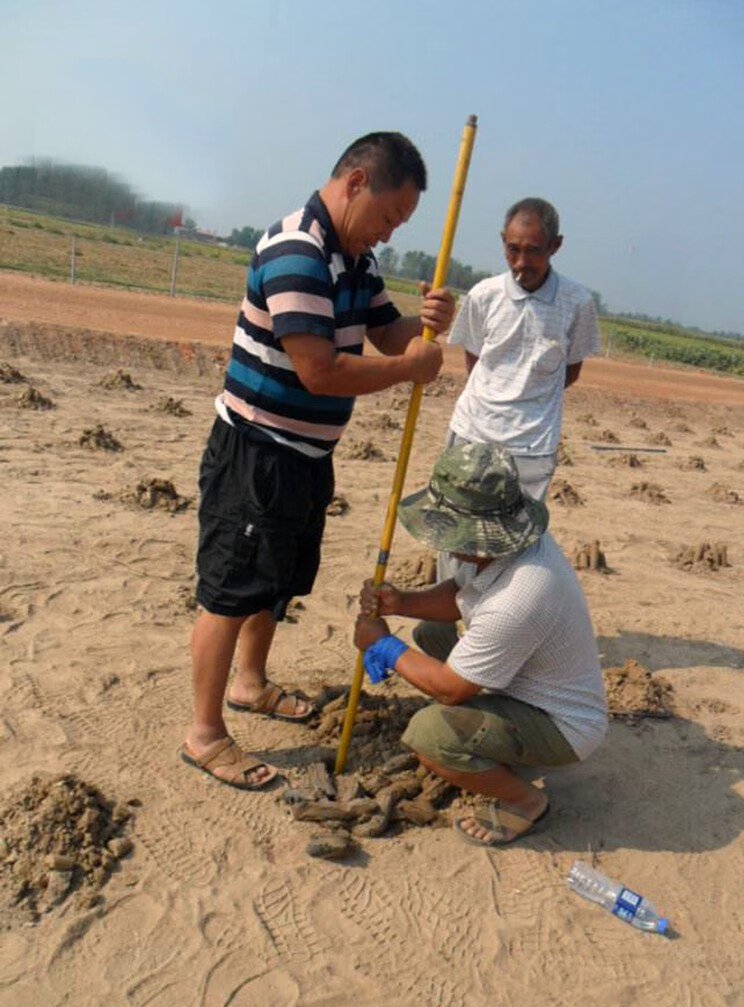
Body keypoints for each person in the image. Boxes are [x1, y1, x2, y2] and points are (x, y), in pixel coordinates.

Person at [181, 132, 455, 790]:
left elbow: (387, 333)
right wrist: (406, 369)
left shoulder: (354, 260)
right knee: (229, 589)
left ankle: (250, 684)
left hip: (304, 457)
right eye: (390, 216)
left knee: (273, 580)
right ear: (357, 182)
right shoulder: (296, 249)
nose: (389, 234)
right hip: (257, 453)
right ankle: (205, 732)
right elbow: (318, 370)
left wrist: (427, 328)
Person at [354, 441, 607, 848]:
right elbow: (459, 594)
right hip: (527, 688)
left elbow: (451, 689)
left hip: (563, 725)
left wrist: (383, 645)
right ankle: (492, 737)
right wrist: (400, 603)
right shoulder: (508, 548)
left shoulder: (519, 596)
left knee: (431, 734)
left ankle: (526, 801)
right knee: (430, 634)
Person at [446, 197, 600, 501]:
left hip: (533, 448)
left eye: (533, 251)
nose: (521, 262)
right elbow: (474, 363)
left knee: (514, 541)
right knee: (458, 533)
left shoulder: (577, 303)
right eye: (513, 249)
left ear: (555, 246)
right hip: (472, 433)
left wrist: (528, 403)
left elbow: (570, 372)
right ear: (503, 241)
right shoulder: (482, 295)